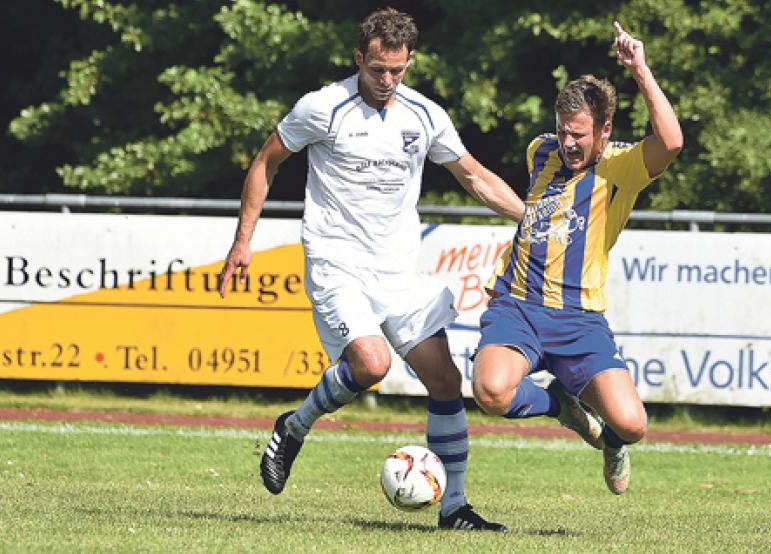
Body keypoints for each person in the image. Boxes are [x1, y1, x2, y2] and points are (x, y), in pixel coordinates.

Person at [217, 8, 522, 532]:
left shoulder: (424, 116)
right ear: (359, 58)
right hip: (337, 264)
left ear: (409, 63)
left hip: (398, 271)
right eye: (377, 69)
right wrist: (243, 240)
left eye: (397, 71)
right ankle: (295, 426)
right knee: (372, 364)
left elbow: (473, 176)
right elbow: (266, 162)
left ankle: (454, 510)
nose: (386, 81)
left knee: (447, 381)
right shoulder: (323, 108)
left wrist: (532, 220)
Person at [470, 21, 683, 495]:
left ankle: (610, 440)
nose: (569, 143)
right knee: (490, 391)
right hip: (518, 304)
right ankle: (559, 406)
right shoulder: (538, 151)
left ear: (605, 131)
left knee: (632, 424)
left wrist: (641, 71)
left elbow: (670, 143)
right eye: (565, 131)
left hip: (579, 319)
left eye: (581, 135)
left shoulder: (620, 167)